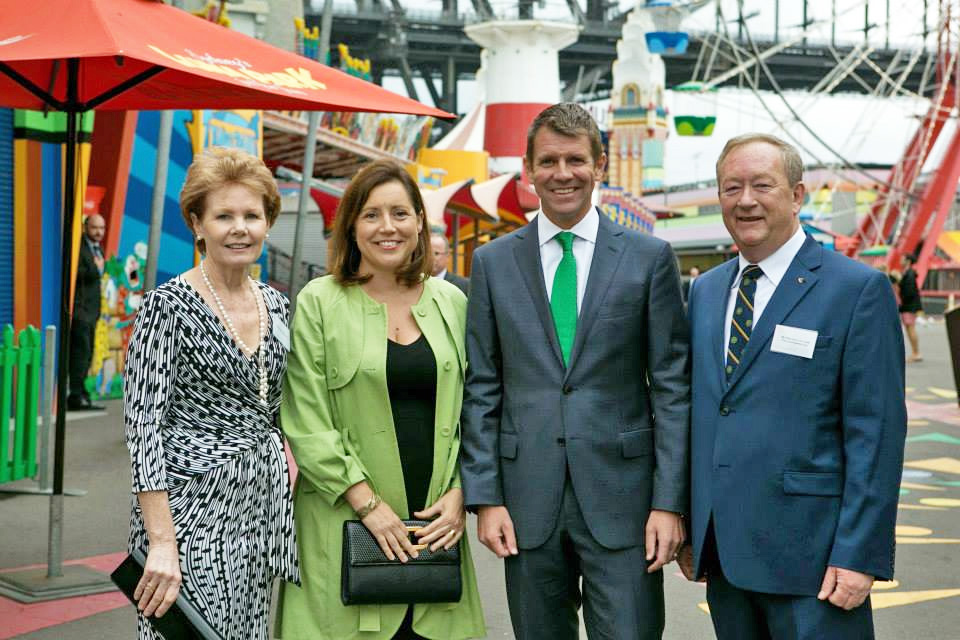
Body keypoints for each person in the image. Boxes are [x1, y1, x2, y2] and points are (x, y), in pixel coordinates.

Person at [460, 103, 689, 640]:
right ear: (528, 168)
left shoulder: (649, 258)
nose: (563, 173)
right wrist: (486, 496)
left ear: (600, 165)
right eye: (549, 161)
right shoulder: (492, 264)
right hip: (525, 501)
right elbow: (483, 386)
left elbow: (673, 389)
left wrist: (668, 502)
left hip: (626, 500)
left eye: (576, 160)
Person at [680, 133, 906, 640]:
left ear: (798, 194)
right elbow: (705, 411)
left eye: (763, 185)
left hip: (816, 561)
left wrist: (859, 553)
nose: (745, 200)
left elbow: (876, 433)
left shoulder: (856, 290)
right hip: (725, 554)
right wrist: (694, 524)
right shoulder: (708, 291)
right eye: (730, 187)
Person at [278, 159, 485, 640]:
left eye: (400, 213)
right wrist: (368, 504)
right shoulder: (319, 300)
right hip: (344, 518)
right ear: (351, 225)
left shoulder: (452, 301)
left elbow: (476, 408)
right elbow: (304, 416)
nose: (387, 227)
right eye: (371, 214)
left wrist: (461, 492)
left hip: (436, 525)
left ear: (419, 223)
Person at [123, 147, 299, 639]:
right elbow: (143, 431)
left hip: (258, 511)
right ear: (197, 224)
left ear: (268, 223)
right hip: (186, 514)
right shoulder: (168, 306)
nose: (239, 228)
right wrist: (161, 542)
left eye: (252, 215)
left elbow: (285, 410)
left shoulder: (277, 306)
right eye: (224, 216)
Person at [69, 213, 106, 410]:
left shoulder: (98, 248)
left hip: (92, 311)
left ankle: (81, 392)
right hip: (81, 311)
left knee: (88, 353)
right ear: (85, 227)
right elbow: (75, 273)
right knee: (80, 354)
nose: (99, 232)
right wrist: (96, 269)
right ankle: (75, 396)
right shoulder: (80, 248)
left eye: (102, 228)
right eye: (95, 228)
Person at [899, 253, 923, 362]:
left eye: (903, 258)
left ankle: (916, 352)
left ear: (908, 261)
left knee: (910, 328)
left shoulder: (909, 274)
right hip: (909, 305)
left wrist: (901, 297)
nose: (900, 260)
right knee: (909, 328)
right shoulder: (908, 273)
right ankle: (915, 352)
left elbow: (909, 291)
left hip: (908, 306)